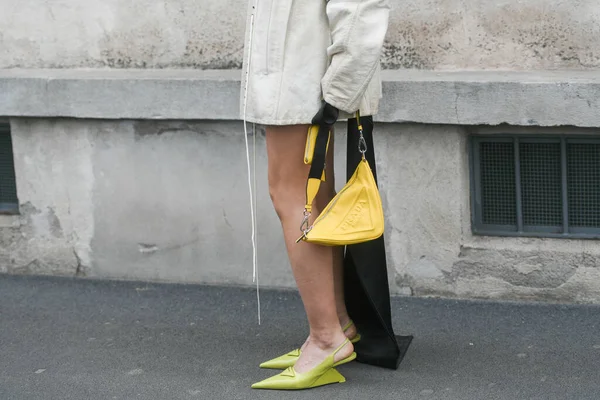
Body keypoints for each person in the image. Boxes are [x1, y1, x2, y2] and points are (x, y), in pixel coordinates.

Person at [241, 0, 394, 390]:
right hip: (301, 79)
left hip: (300, 83)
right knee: (314, 199)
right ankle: (338, 323)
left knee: (291, 197)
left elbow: (363, 9)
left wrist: (338, 92)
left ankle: (327, 339)